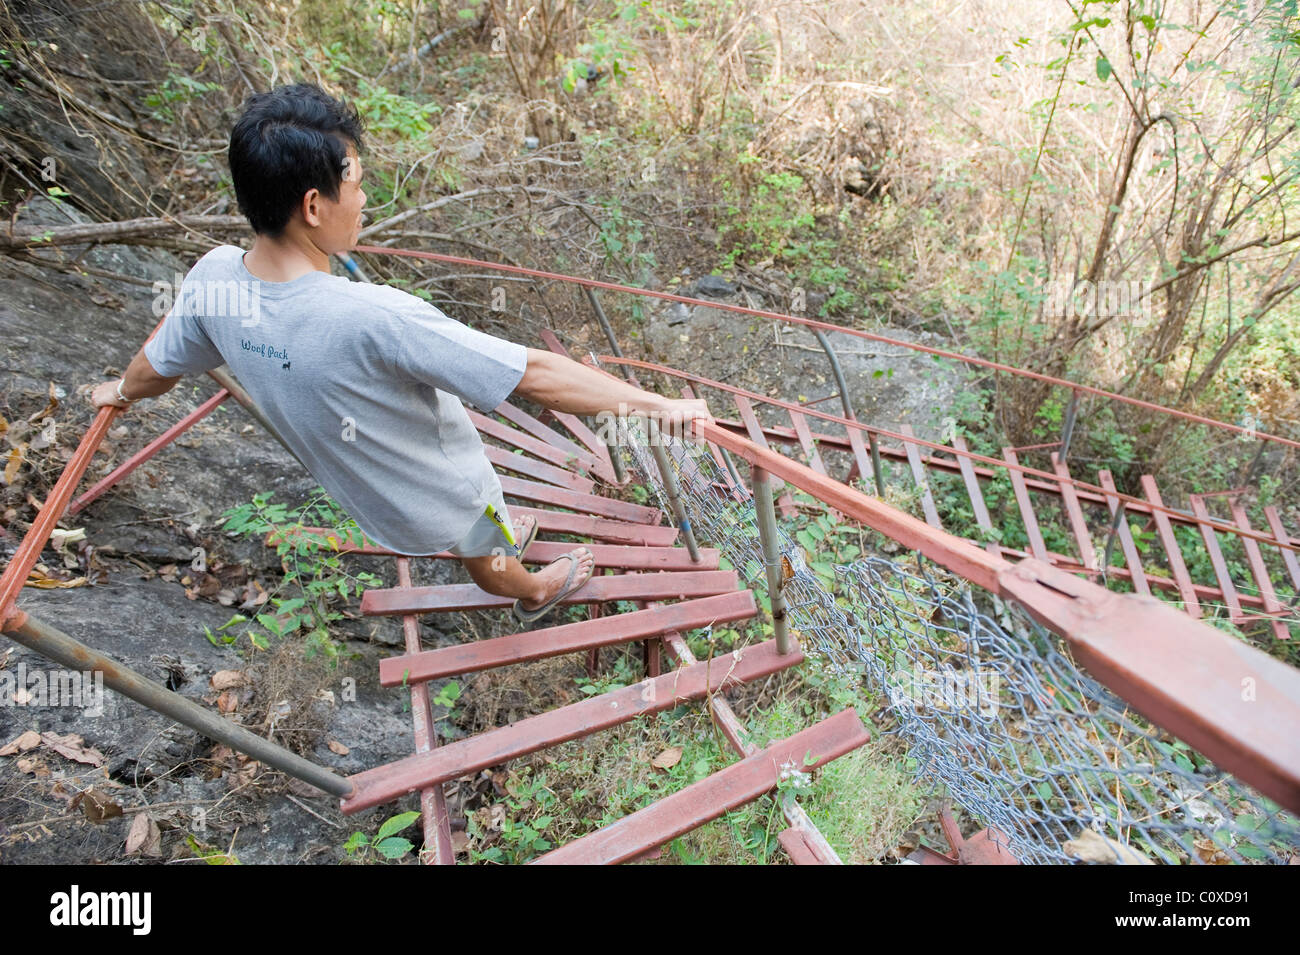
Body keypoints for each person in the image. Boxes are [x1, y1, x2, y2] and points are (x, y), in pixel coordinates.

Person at [88, 83, 710, 624]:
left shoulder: (211, 280)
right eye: (355, 182)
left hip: (367, 497)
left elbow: (155, 367)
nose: (363, 199)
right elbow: (535, 374)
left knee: (483, 529)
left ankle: (502, 537)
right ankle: (531, 590)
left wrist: (116, 393)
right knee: (484, 548)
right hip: (439, 495)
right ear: (312, 205)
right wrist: (658, 406)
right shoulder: (375, 317)